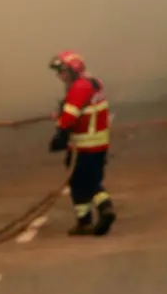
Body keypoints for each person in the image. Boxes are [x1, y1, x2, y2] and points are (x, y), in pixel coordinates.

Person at [48, 50, 116, 236]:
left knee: (83, 182)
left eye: (62, 71)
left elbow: (69, 119)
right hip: (99, 143)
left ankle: (103, 209)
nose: (60, 76)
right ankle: (86, 219)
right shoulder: (93, 83)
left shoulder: (78, 88)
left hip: (84, 145)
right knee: (87, 181)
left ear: (72, 70)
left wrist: (59, 135)